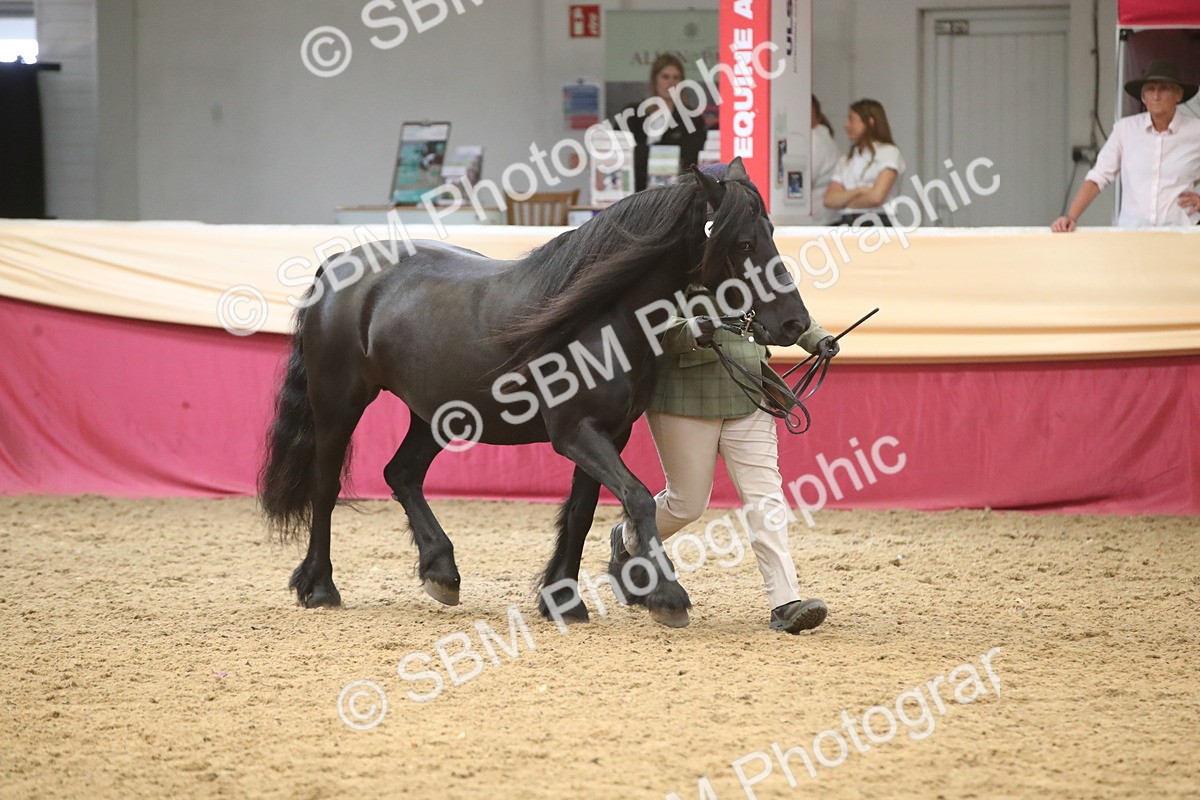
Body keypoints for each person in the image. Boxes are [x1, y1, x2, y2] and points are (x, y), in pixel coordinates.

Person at [609, 238, 839, 633]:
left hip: (749, 393)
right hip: (683, 398)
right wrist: (689, 330)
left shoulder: (756, 266)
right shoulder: (668, 266)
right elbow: (644, 326)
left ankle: (785, 602)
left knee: (765, 497)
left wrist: (814, 337)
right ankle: (628, 537)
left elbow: (785, 309)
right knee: (687, 504)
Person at [1052, 61, 1200, 231]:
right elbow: (1099, 176)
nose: (1156, 95)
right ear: (1143, 97)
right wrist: (1071, 216)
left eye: (1164, 88)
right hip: (1133, 233)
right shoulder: (1126, 130)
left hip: (1182, 233)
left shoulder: (1196, 131)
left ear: (1179, 94)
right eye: (1150, 89)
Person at [619, 54, 708, 191]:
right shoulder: (633, 114)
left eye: (676, 78)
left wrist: (644, 152)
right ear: (655, 80)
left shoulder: (691, 118)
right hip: (633, 194)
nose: (671, 82)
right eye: (665, 77)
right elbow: (617, 152)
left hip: (676, 194)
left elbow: (691, 159)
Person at [823, 99, 906, 226]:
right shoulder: (846, 160)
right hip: (847, 223)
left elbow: (876, 197)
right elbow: (829, 199)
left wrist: (844, 202)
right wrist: (859, 191)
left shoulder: (889, 152)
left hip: (877, 222)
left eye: (851, 120)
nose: (846, 125)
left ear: (870, 122)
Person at [809, 95, 842, 225]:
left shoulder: (815, 139)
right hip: (825, 218)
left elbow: (804, 180)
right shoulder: (822, 137)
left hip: (819, 221)